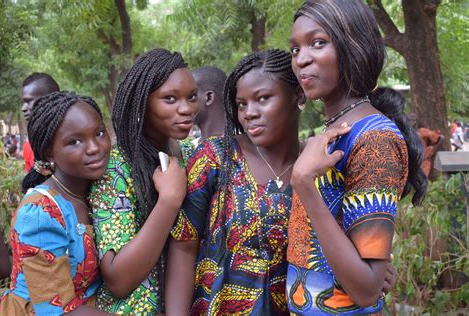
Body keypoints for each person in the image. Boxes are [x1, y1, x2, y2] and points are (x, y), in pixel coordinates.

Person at [165, 49, 396, 315]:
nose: (249, 113)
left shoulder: (322, 166)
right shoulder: (215, 159)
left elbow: (352, 249)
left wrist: (377, 271)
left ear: (297, 95)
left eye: (263, 99)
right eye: (242, 104)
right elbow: (183, 247)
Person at [287, 1, 427, 315]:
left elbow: (365, 289)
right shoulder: (334, 133)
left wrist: (303, 183)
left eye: (318, 43)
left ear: (354, 47)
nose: (301, 59)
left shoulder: (374, 139)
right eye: (295, 49)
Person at [89, 48, 198, 314]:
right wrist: (169, 201)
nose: (186, 109)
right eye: (169, 99)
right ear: (142, 103)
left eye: (191, 97)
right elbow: (117, 279)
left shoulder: (189, 155)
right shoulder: (116, 167)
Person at [0, 91, 111, 315]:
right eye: (75, 141)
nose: (94, 147)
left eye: (99, 133)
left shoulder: (99, 189)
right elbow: (58, 311)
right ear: (50, 154)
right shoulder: (39, 213)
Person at [21, 72, 60, 173]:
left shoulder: (77, 139)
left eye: (28, 101)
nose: (23, 108)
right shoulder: (28, 147)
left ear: (48, 100)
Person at [192, 66, 227, 141]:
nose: (183, 107)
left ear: (209, 97)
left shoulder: (242, 146)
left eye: (191, 97)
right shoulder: (189, 148)